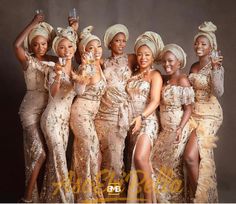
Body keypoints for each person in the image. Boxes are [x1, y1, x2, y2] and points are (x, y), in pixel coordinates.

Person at [13, 13, 56, 203]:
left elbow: (73, 54)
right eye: (36, 44)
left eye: (44, 43)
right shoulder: (27, 61)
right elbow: (16, 45)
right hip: (30, 112)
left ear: (48, 44)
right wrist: (33, 23)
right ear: (31, 46)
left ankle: (45, 196)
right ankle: (27, 198)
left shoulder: (54, 62)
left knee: (51, 155)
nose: (40, 47)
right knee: (39, 154)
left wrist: (74, 29)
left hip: (49, 112)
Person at [94, 24, 136, 202]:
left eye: (124, 41)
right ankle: (102, 197)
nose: (121, 44)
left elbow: (151, 62)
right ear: (109, 43)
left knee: (115, 161)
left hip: (119, 115)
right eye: (117, 41)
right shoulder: (102, 61)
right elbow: (81, 56)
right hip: (101, 113)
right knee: (101, 159)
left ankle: (114, 198)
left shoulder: (131, 59)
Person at [184, 21, 224, 202]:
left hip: (210, 114)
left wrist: (216, 69)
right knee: (191, 159)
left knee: (192, 157)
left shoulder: (216, 67)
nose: (198, 46)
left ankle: (203, 200)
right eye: (197, 43)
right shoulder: (193, 66)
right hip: (194, 112)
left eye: (203, 44)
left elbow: (218, 91)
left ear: (211, 47)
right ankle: (196, 197)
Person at [151, 44, 195, 202]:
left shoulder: (182, 80)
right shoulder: (166, 79)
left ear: (179, 62)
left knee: (170, 167)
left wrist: (180, 129)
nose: (166, 64)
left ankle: (175, 200)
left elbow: (188, 109)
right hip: (165, 131)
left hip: (177, 129)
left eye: (170, 61)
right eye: (164, 61)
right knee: (154, 162)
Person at [40, 26, 77, 203]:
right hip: (51, 119)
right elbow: (53, 92)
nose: (66, 51)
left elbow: (81, 91)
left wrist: (81, 77)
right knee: (60, 160)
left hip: (65, 122)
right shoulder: (54, 68)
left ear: (74, 48)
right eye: (62, 47)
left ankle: (50, 199)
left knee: (54, 162)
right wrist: (58, 74)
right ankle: (66, 200)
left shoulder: (77, 72)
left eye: (70, 47)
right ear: (56, 50)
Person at [69, 26, 106, 203]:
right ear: (85, 51)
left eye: (98, 46)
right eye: (91, 48)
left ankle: (84, 195)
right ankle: (87, 198)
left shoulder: (99, 65)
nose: (96, 51)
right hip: (80, 113)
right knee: (91, 153)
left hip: (90, 116)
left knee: (89, 154)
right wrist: (82, 70)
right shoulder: (88, 67)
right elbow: (79, 90)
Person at [126, 31, 163, 203]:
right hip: (131, 123)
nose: (142, 58)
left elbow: (155, 101)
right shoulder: (131, 74)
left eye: (147, 55)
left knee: (140, 158)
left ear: (153, 57)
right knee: (135, 164)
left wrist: (141, 117)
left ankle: (149, 201)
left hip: (147, 121)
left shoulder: (155, 75)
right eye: (139, 54)